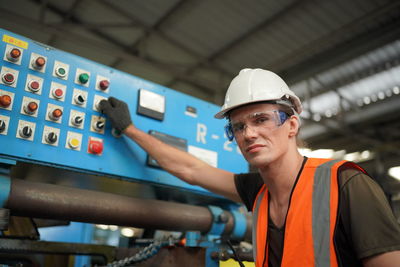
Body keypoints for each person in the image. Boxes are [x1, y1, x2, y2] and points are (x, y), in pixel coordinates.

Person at [99, 68, 400, 267]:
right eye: (238, 126)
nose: (248, 134)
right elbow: (191, 170)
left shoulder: (345, 183)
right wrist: (129, 129)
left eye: (261, 119)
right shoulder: (257, 191)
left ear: (292, 124)